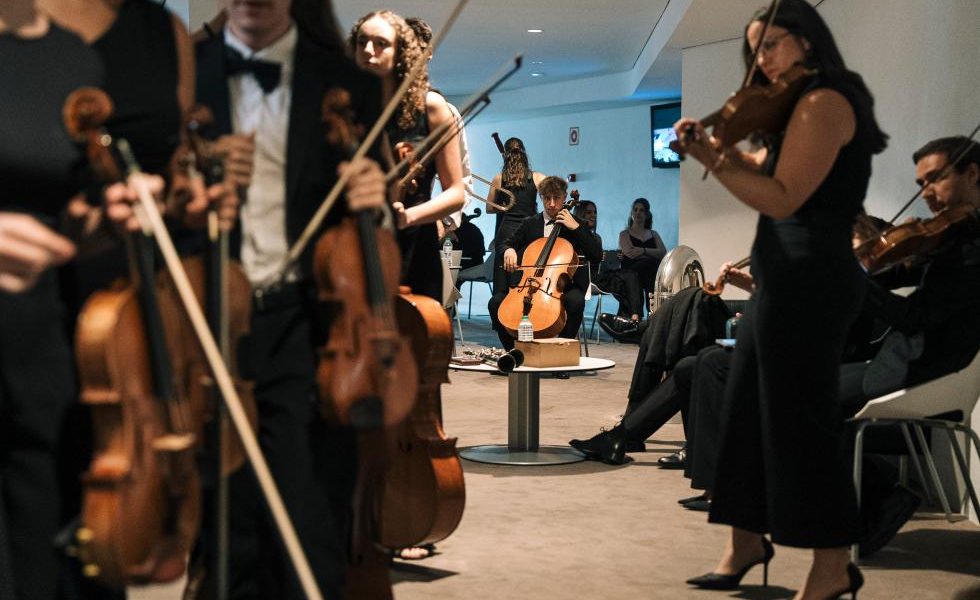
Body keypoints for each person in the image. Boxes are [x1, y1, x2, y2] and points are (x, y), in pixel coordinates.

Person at [672, 0, 889, 597]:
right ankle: (744, 540)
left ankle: (833, 564)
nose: (761, 60)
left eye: (770, 45)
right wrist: (714, 151)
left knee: (802, 423)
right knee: (745, 411)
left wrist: (714, 158)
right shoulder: (795, 107)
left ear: (807, 41)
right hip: (784, 274)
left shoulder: (824, 102)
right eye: (754, 50)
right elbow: (765, 171)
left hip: (812, 279)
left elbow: (784, 196)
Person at [196, 1, 386, 597]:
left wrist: (375, 199)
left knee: (308, 517)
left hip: (307, 323)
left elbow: (375, 215)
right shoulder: (183, 72)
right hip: (204, 320)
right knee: (224, 528)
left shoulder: (349, 83)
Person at [569, 261, 750, 465]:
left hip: (758, 342)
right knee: (696, 296)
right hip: (749, 328)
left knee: (679, 332)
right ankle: (646, 330)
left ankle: (643, 330)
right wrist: (750, 290)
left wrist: (748, 288)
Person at [350, 10, 466, 302]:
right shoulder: (343, 109)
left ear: (401, 51)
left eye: (380, 43)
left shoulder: (431, 108)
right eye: (362, 42)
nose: (368, 50)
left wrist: (408, 216)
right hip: (353, 243)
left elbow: (456, 192)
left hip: (413, 244)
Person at [487, 175, 602, 350]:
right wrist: (508, 250)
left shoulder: (576, 224)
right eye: (547, 198)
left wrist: (576, 228)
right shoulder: (530, 223)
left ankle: (560, 351)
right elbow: (505, 244)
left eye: (557, 198)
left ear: (564, 197)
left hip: (564, 285)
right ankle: (513, 352)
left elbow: (596, 255)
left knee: (575, 301)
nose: (552, 204)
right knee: (495, 303)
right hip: (528, 283)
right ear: (541, 197)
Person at [486, 137, 547, 333]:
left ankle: (504, 326)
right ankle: (529, 321)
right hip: (529, 232)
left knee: (504, 284)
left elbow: (489, 208)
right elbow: (552, 194)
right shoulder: (537, 177)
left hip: (506, 232)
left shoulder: (499, 178)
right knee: (526, 280)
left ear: (506, 154)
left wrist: (505, 205)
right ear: (524, 153)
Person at [573, 200, 645, 323]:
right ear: (580, 214)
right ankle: (633, 319)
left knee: (631, 277)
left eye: (595, 212)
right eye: (589, 212)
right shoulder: (574, 236)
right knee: (627, 280)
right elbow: (575, 259)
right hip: (585, 278)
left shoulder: (597, 238)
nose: (593, 215)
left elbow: (600, 266)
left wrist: (612, 258)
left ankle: (629, 319)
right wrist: (595, 257)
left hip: (599, 277)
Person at [618, 197, 666, 308]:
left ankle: (650, 309)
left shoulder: (653, 234)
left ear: (647, 214)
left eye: (641, 210)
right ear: (632, 213)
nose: (638, 213)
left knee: (651, 267)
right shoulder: (624, 234)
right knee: (651, 263)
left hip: (649, 272)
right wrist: (652, 253)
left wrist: (642, 250)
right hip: (631, 271)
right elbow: (630, 253)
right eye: (635, 210)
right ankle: (652, 308)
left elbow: (663, 253)